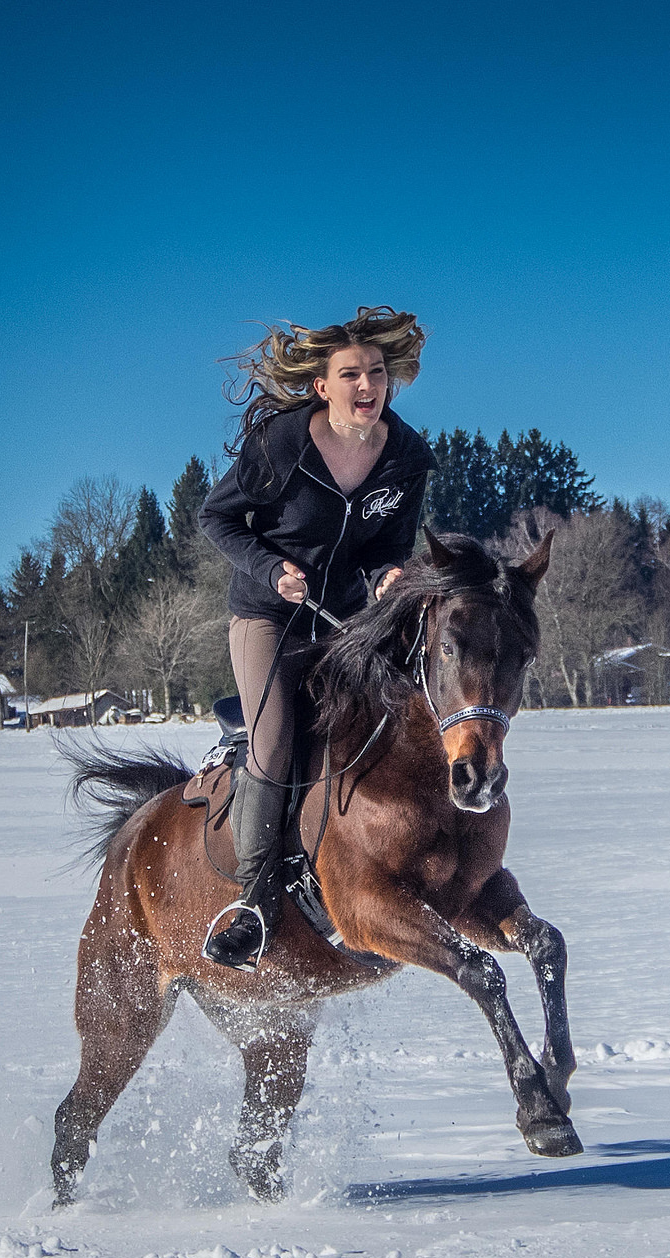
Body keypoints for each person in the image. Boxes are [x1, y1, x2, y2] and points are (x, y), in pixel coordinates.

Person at [196, 306, 435, 969]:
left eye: (378, 373)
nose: (368, 385)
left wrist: (389, 574)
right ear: (321, 386)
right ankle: (254, 902)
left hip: (346, 622)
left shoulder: (407, 457)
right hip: (267, 616)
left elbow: (392, 545)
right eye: (351, 374)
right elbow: (216, 518)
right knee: (274, 744)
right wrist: (272, 570)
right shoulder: (280, 444)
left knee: (393, 724)